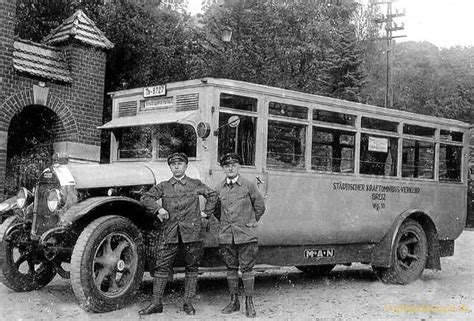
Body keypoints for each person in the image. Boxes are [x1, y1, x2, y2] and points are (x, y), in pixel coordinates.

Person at [139, 152, 217, 316]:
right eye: (173, 164)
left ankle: (188, 303)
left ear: (186, 166)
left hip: (192, 232)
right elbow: (145, 197)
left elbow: (213, 195)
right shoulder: (164, 185)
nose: (176, 166)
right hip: (170, 232)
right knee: (161, 267)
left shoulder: (195, 184)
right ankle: (156, 303)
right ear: (170, 167)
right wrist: (158, 208)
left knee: (192, 268)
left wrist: (206, 213)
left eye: (180, 164)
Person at [215, 153, 266, 318]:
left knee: (247, 269)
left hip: (246, 236)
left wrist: (249, 221)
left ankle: (249, 302)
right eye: (227, 165)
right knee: (230, 269)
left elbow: (260, 207)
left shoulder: (248, 185)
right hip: (226, 236)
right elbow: (217, 210)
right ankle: (233, 301)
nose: (230, 168)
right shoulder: (219, 188)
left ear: (239, 167)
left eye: (234, 165)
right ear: (223, 168)